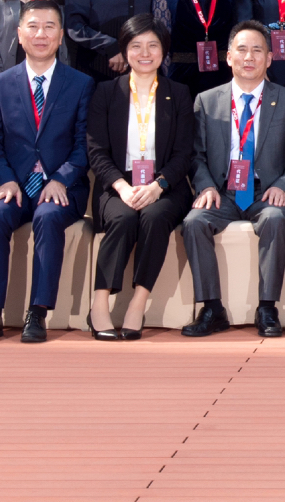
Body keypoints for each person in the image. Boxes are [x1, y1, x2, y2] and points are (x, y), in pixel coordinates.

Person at [0, 1, 90, 342]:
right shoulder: (0, 84)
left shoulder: (80, 83)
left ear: (61, 35)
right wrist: (6, 179)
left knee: (49, 216)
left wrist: (61, 179)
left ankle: (37, 313)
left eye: (50, 27)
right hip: (15, 184)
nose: (41, 34)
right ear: (20, 34)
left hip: (61, 186)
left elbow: (84, 144)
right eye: (33, 26)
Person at [180, 23, 285, 338]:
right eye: (242, 50)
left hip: (266, 191)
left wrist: (284, 186)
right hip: (222, 192)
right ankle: (212, 309)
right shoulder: (207, 100)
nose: (249, 57)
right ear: (228, 57)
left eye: (257, 50)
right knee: (194, 222)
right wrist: (206, 186)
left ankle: (267, 308)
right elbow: (195, 156)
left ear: (270, 58)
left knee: (276, 219)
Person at [82, 18, 194, 341]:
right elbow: (96, 151)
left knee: (155, 217)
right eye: (136, 46)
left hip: (165, 184)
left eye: (153, 45)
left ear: (164, 51)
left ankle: (138, 302)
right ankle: (99, 303)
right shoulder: (106, 92)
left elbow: (184, 153)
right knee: (123, 217)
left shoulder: (179, 93)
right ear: (124, 50)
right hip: (117, 183)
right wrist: (121, 186)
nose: (145, 53)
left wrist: (158, 186)